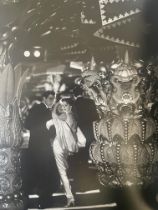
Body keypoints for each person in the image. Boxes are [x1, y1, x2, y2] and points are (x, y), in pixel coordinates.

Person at [46, 97, 86, 207]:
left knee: (63, 172)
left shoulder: (58, 117)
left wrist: (57, 103)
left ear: (69, 107)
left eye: (65, 105)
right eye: (62, 106)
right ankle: (67, 190)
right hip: (69, 148)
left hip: (59, 146)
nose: (62, 107)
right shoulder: (74, 117)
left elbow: (49, 121)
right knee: (65, 170)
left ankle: (70, 197)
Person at [24, 91, 60, 208]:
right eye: (50, 98)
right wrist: (46, 125)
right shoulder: (37, 109)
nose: (52, 101)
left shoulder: (49, 110)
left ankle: (45, 200)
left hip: (45, 147)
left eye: (53, 99)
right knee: (43, 174)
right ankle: (43, 201)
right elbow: (28, 125)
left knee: (46, 174)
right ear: (44, 98)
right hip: (39, 147)